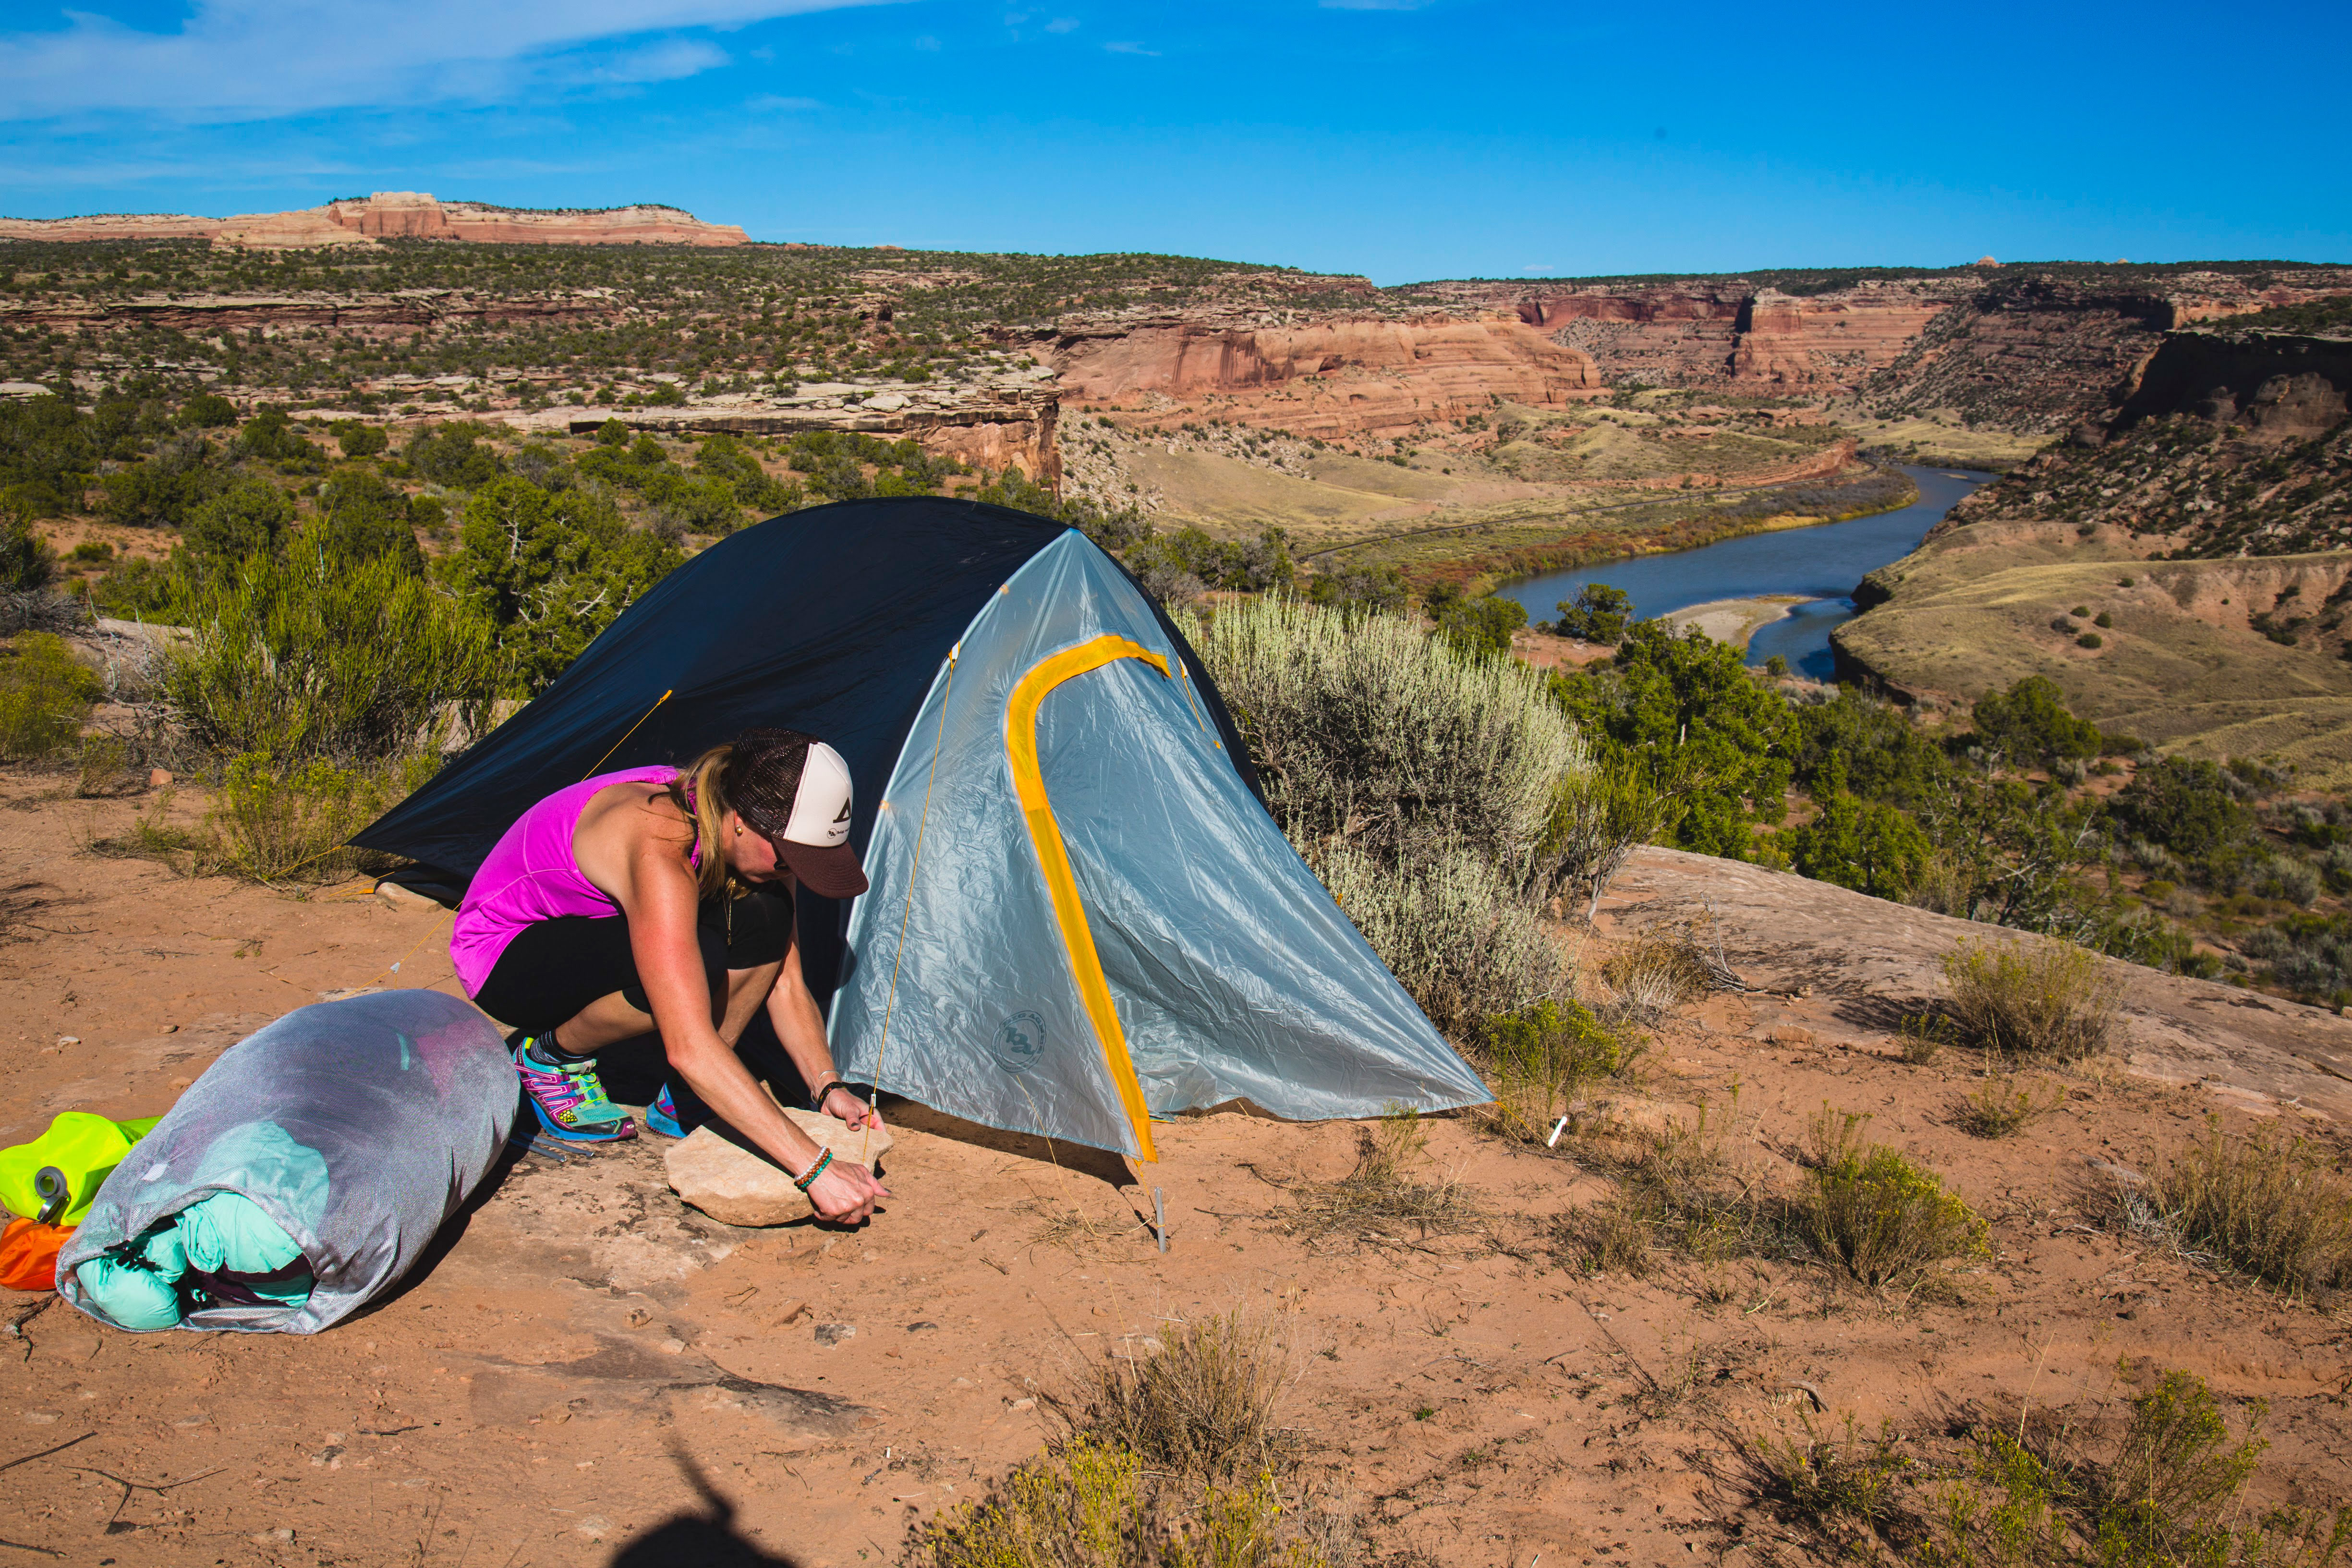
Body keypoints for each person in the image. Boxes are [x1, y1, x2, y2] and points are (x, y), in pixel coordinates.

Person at [449, 728, 889, 1225]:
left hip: (593, 928)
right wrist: (817, 1169)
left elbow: (785, 981)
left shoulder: (757, 837)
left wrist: (827, 1086)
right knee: (701, 959)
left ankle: (687, 1095)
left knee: (766, 913)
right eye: (792, 857)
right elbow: (688, 1043)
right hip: (503, 952)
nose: (794, 869)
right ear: (743, 821)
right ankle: (549, 1058)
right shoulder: (659, 841)